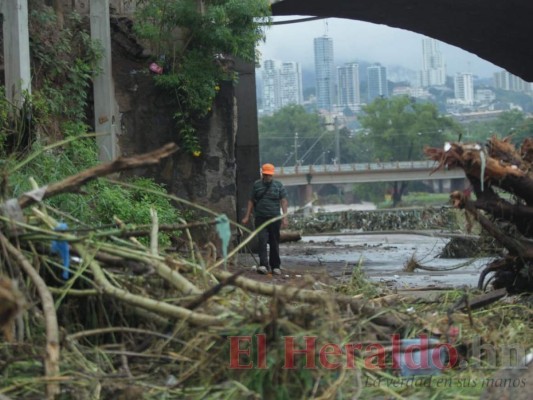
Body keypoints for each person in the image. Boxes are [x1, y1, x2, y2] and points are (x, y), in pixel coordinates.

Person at [241, 163, 288, 275]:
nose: (267, 177)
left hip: (274, 218)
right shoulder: (257, 185)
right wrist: (247, 216)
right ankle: (263, 265)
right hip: (260, 218)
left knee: (274, 242)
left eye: (269, 175)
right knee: (262, 241)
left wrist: (284, 218)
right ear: (262, 174)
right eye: (266, 175)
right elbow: (251, 200)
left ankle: (276, 266)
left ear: (272, 175)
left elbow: (283, 201)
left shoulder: (278, 185)